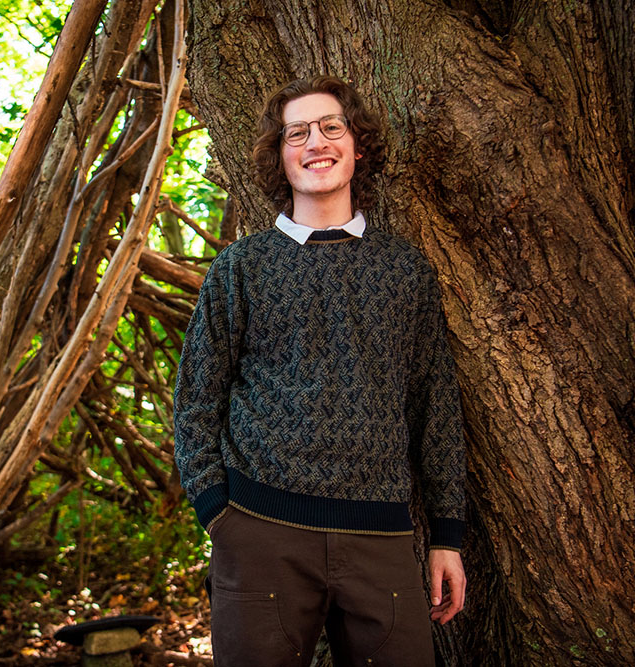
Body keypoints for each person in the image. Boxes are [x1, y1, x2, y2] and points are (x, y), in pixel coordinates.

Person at [173, 75, 467, 666]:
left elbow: (434, 404)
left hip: (381, 538)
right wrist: (219, 514)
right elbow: (196, 398)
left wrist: (447, 538)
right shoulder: (242, 267)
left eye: (331, 127)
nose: (316, 142)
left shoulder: (405, 270)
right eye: (297, 133)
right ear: (280, 157)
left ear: (358, 147)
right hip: (260, 533)